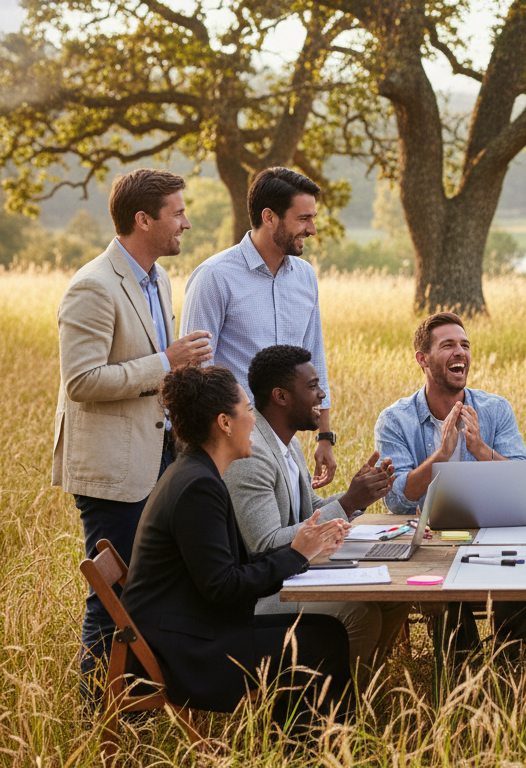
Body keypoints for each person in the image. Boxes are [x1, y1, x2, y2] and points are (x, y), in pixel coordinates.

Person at [53, 168, 214, 698]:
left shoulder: (158, 278)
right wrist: (165, 363)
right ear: (143, 220)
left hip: (160, 458)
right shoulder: (92, 286)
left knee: (152, 592)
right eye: (178, 213)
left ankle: (138, 713)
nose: (186, 223)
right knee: (114, 601)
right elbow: (81, 381)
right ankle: (93, 724)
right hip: (114, 472)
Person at [120, 364, 351, 720]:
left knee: (327, 629)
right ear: (224, 423)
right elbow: (223, 586)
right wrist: (295, 554)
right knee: (321, 641)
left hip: (192, 628)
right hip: (185, 647)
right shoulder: (198, 486)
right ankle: (311, 750)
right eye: (247, 411)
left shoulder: (199, 472)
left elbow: (230, 572)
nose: (254, 422)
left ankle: (299, 743)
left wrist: (302, 551)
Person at [224, 344, 409, 672]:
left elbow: (309, 510)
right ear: (281, 397)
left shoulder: (289, 443)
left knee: (392, 598)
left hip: (292, 576)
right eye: (312, 386)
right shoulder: (253, 457)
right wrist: (349, 501)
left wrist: (356, 499)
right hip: (260, 595)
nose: (321, 395)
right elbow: (265, 545)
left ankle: (364, 689)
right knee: (360, 613)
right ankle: (334, 706)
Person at [374, 312, 526, 661]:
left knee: (521, 588)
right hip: (429, 545)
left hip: (490, 538)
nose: (460, 352)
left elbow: (521, 479)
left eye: (465, 345)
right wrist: (441, 457)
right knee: (446, 597)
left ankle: (511, 678)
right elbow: (398, 499)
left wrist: (480, 449)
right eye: (448, 345)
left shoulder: (496, 409)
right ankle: (462, 682)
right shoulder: (395, 419)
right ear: (423, 359)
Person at [179, 167, 340, 489]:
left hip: (285, 441)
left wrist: (324, 435)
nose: (312, 229)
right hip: (230, 445)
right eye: (303, 218)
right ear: (269, 217)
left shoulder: (306, 276)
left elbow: (314, 357)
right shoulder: (215, 276)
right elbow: (196, 370)